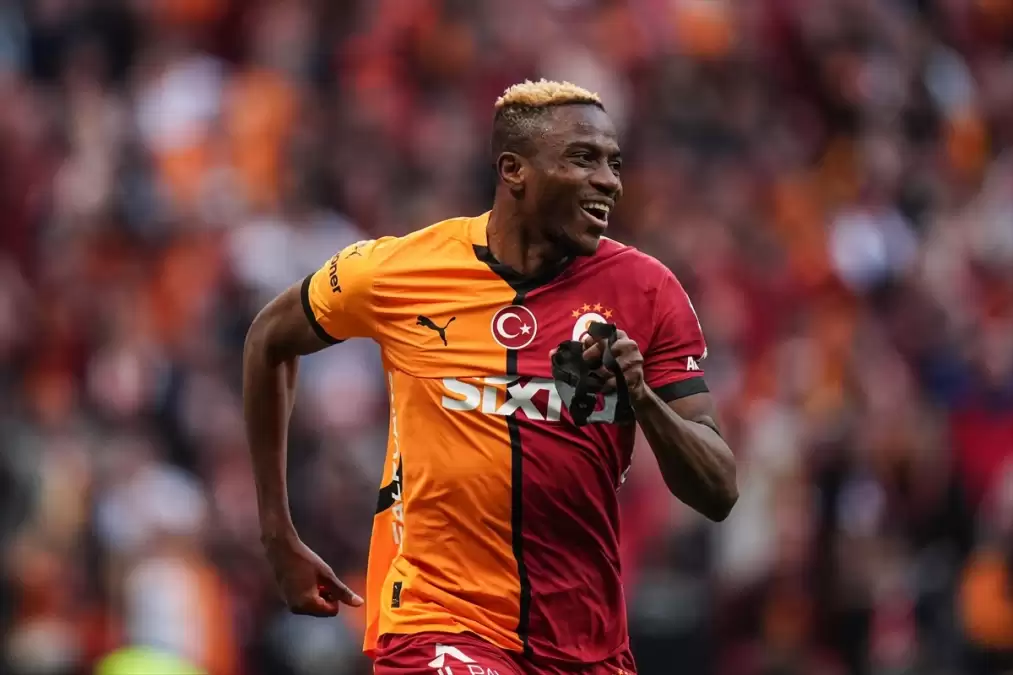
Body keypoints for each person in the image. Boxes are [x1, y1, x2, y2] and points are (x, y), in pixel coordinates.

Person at [242, 79, 738, 675]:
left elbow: (717, 491)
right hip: (435, 621)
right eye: (583, 159)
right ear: (514, 171)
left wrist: (642, 398)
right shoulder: (400, 270)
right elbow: (268, 340)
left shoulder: (648, 291)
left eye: (614, 163)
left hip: (586, 645)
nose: (609, 180)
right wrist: (277, 531)